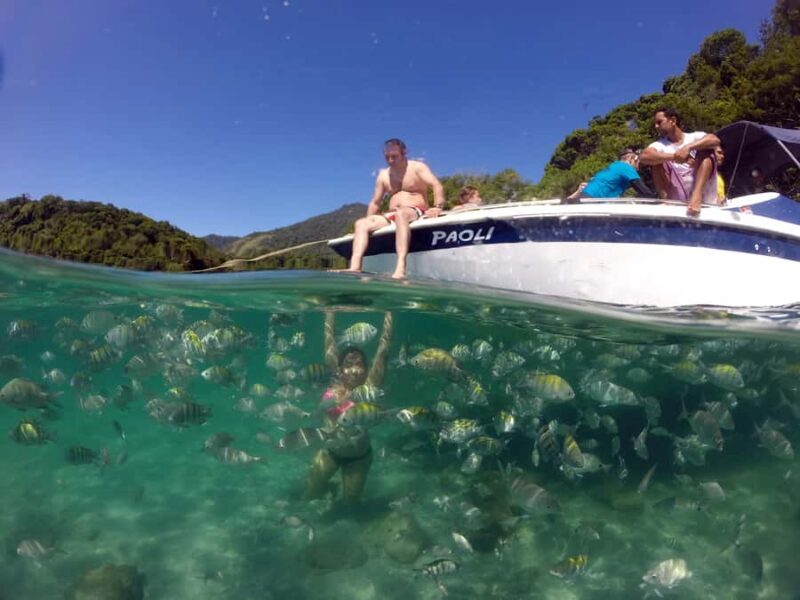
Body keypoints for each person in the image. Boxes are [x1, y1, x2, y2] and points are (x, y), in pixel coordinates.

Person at [305, 311, 393, 505]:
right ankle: (330, 487)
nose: (354, 369)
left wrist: (388, 312)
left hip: (358, 458)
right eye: (348, 364)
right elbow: (329, 342)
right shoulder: (334, 381)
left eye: (360, 364)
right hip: (330, 453)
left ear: (366, 368)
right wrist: (330, 311)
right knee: (309, 494)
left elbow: (383, 351)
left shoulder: (369, 387)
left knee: (350, 505)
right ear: (339, 368)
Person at [345, 139, 445, 279]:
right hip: (391, 213)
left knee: (401, 214)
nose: (390, 160)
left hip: (415, 209)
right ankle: (354, 266)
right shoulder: (384, 175)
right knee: (361, 224)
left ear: (404, 152)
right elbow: (375, 203)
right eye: (387, 157)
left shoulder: (417, 167)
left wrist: (437, 207)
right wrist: (370, 220)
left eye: (394, 156)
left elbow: (436, 185)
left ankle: (400, 267)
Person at [639, 107, 721, 217]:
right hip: (677, 196)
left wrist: (688, 148)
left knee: (706, 152)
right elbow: (644, 156)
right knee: (656, 162)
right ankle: (666, 202)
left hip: (702, 192)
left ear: (673, 121)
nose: (656, 126)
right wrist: (674, 156)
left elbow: (715, 140)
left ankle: (697, 196)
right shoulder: (660, 145)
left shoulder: (695, 136)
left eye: (659, 122)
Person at [565, 149, 652, 201]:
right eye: (638, 163)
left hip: (584, 196)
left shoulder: (614, 166)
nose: (638, 168)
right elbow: (644, 192)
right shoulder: (626, 168)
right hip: (593, 199)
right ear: (631, 159)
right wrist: (659, 200)